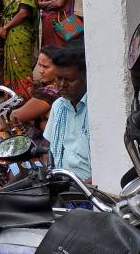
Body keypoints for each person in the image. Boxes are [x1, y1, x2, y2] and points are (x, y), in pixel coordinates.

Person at [0, 46, 63, 149]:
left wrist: (38, 122)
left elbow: (17, 116)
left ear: (60, 68)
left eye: (46, 67)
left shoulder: (51, 92)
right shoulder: (56, 89)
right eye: (40, 66)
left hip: (43, 145)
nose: (41, 70)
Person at [44, 42, 91, 182]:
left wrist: (80, 189)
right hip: (62, 184)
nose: (62, 85)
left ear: (86, 77)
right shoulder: (58, 106)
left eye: (70, 79)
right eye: (58, 78)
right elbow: (49, 150)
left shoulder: (96, 109)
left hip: (89, 191)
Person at [1, 0, 39, 98]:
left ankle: (26, 97)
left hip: (20, 31)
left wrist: (6, 27)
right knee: (11, 63)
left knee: (21, 64)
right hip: (11, 31)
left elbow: (23, 13)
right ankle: (12, 97)